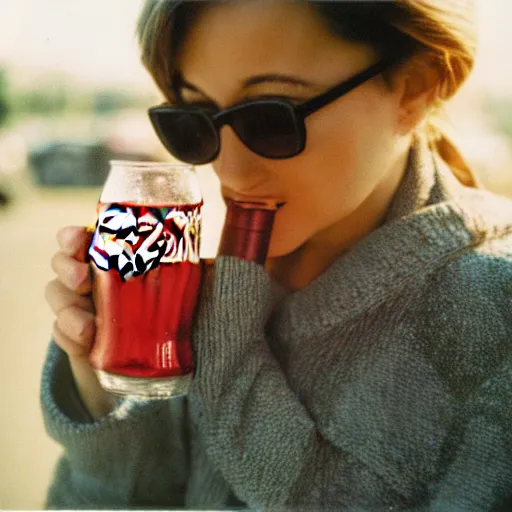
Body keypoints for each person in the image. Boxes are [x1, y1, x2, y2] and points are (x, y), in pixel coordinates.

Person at [42, 0, 512, 509]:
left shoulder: (497, 317)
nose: (230, 169)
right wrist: (110, 396)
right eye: (195, 120)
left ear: (415, 86)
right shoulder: (199, 283)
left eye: (272, 117)